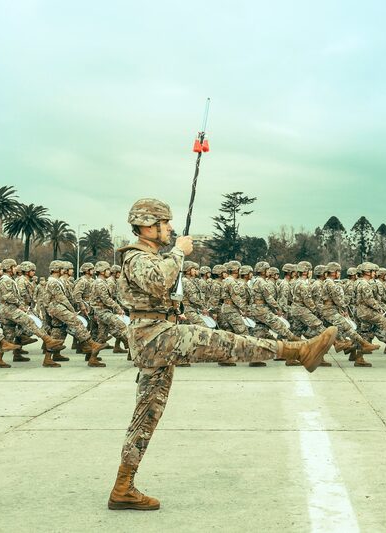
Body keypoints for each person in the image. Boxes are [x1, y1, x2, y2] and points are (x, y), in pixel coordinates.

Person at [108, 198, 337, 511]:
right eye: (166, 223)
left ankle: (123, 487)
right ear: (148, 225)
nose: (171, 228)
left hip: (157, 337)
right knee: (229, 343)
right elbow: (157, 281)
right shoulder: (136, 256)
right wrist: (178, 252)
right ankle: (298, 351)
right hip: (155, 337)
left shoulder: (151, 255)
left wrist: (172, 260)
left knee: (147, 416)